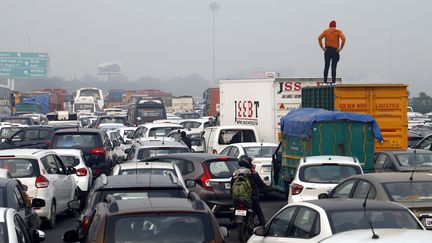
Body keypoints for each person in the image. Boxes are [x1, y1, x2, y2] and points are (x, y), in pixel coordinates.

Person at [232, 155, 267, 226]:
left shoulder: (235, 173)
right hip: (251, 198)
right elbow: (261, 184)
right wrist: (265, 187)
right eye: (250, 162)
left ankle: (235, 219)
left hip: (237, 197)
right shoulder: (252, 173)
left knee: (234, 208)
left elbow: (231, 185)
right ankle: (263, 228)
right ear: (247, 162)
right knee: (259, 212)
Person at [318, 20, 346, 84]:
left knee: (326, 66)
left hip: (327, 50)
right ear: (335, 26)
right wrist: (340, 48)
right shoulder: (338, 32)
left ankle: (325, 82)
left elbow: (319, 38)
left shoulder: (326, 31)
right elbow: (343, 38)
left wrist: (322, 47)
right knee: (333, 67)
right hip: (335, 50)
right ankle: (333, 82)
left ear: (329, 25)